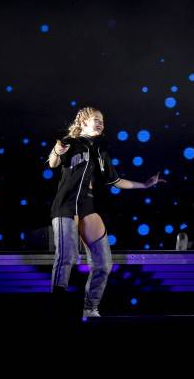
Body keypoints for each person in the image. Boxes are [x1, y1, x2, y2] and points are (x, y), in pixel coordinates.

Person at [48, 106, 165, 318]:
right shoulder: (70, 142)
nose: (101, 123)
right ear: (83, 122)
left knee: (103, 263)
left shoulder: (101, 150)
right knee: (67, 256)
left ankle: (91, 308)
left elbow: (116, 181)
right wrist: (57, 150)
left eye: (102, 120)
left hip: (87, 206)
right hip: (66, 205)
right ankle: (57, 308)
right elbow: (53, 163)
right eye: (96, 119)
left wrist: (145, 185)